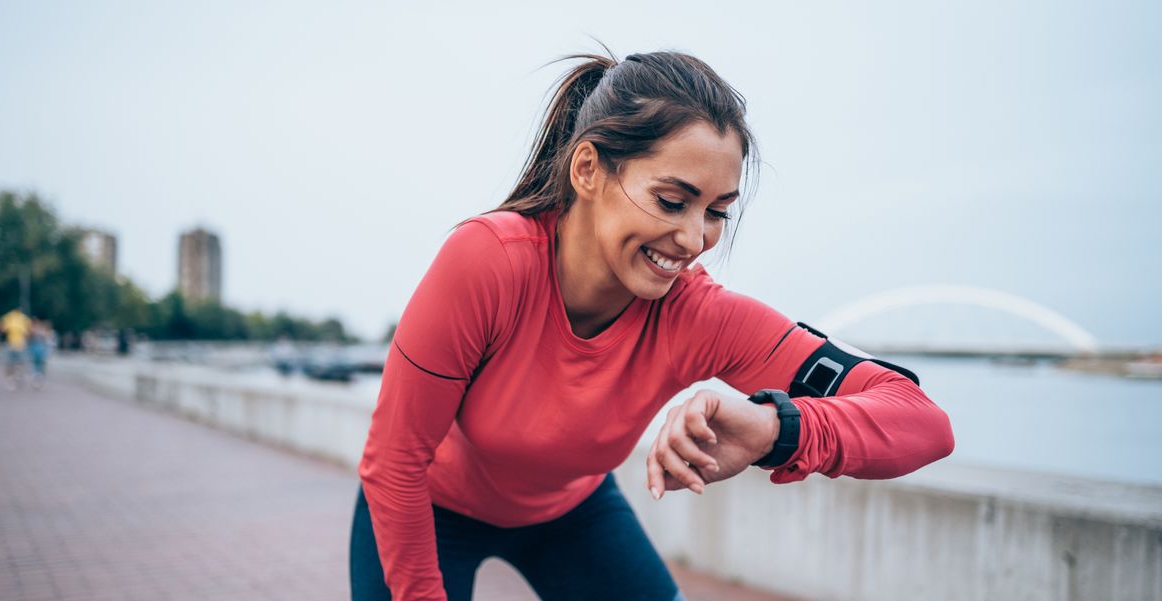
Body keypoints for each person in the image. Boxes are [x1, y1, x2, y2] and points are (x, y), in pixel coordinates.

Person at [352, 49, 955, 601]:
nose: (695, 240)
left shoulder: (700, 316)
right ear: (587, 170)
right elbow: (396, 458)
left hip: (571, 512)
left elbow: (922, 422)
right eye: (672, 201)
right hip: (424, 505)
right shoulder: (489, 261)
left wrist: (775, 428)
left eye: (717, 212)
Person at [0, 307, 32, 390]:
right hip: (18, 345)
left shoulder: (9, 317)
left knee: (11, 364)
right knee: (18, 364)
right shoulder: (23, 318)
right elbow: (29, 331)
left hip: (14, 344)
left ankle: (13, 379)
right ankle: (16, 378)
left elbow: (1, 328)